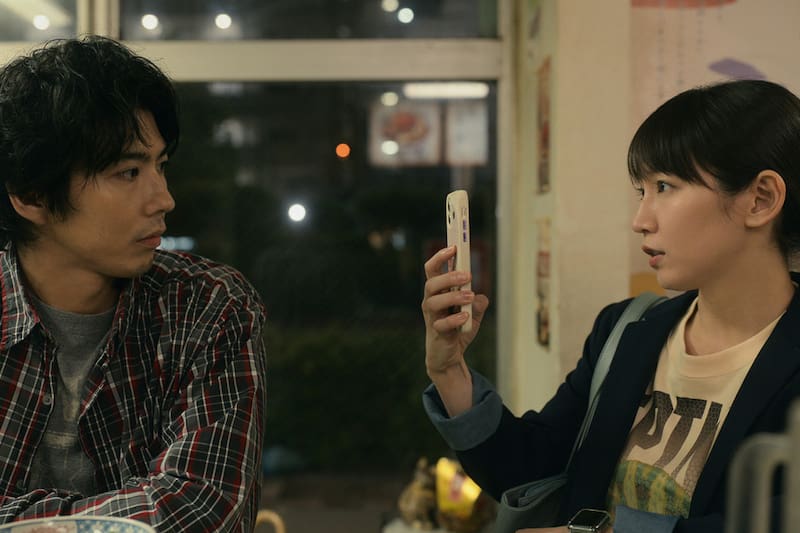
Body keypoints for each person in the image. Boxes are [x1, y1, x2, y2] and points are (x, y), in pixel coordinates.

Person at [421, 79, 800, 533]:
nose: (641, 220)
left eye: (665, 186)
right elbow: (527, 469)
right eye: (642, 191)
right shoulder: (627, 329)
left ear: (761, 199)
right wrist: (450, 373)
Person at [0, 36, 267, 531]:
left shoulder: (206, 307)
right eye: (128, 171)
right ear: (32, 195)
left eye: (160, 166)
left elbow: (201, 510)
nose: (163, 198)